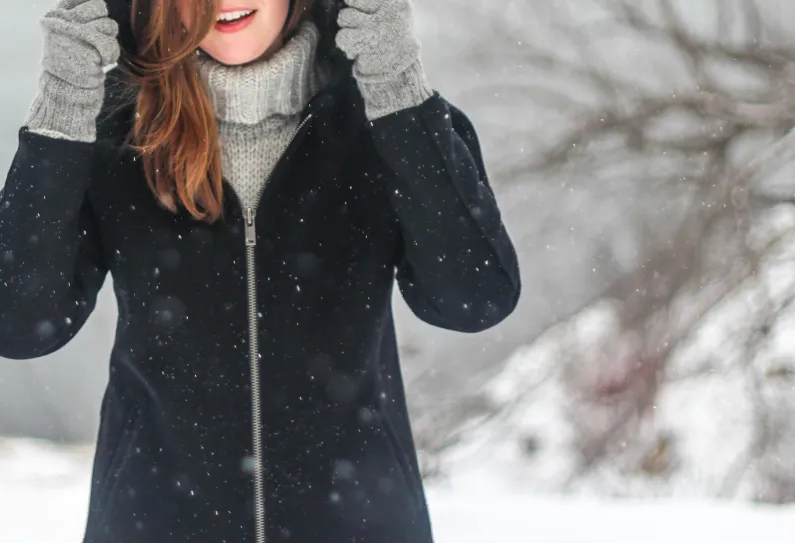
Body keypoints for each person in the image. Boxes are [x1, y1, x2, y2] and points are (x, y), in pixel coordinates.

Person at [0, 0, 521, 541]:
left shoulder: (387, 119)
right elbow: (18, 323)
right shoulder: (114, 133)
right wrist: (64, 103)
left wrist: (396, 85)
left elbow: (475, 299)